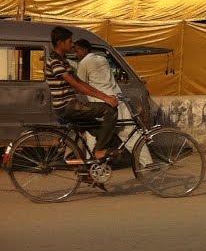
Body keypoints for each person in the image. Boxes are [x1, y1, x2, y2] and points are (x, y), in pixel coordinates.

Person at [44, 27, 118, 161]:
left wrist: (104, 96)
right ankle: (99, 151)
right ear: (61, 42)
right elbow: (76, 84)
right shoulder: (55, 60)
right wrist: (105, 98)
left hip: (70, 105)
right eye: (69, 41)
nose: (72, 45)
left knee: (101, 131)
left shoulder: (62, 59)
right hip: (68, 106)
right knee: (110, 111)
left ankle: (89, 171)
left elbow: (80, 81)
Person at [72, 39, 150, 165]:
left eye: (77, 51)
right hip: (118, 100)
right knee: (130, 133)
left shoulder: (84, 63)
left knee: (94, 135)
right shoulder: (102, 59)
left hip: (102, 104)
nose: (76, 55)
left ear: (84, 49)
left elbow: (80, 85)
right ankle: (148, 163)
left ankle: (93, 166)